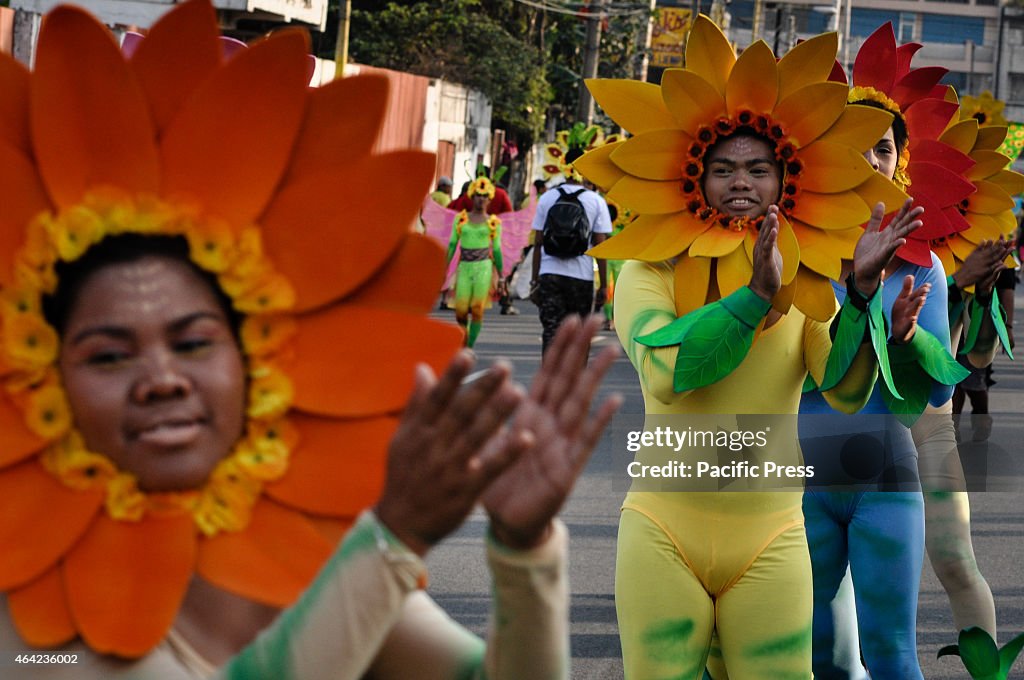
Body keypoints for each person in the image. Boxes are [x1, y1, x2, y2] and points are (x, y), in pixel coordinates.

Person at [0, 2, 623, 676]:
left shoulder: (310, 542)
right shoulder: (24, 587)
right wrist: (391, 544)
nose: (162, 378)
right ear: (37, 373)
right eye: (109, 354)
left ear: (260, 355)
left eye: (194, 342)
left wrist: (526, 552)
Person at [578, 20, 931, 678]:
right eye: (723, 168)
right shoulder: (649, 268)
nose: (740, 180)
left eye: (758, 168)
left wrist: (856, 295)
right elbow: (668, 372)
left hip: (772, 536)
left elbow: (843, 388)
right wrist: (753, 300)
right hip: (662, 532)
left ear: (783, 179)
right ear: (695, 176)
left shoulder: (808, 278)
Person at [530, 147, 612, 355]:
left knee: (551, 331)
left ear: (563, 166)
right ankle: (575, 381)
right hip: (581, 278)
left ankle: (549, 381)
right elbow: (601, 246)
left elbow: (538, 243)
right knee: (580, 335)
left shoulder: (547, 198)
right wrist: (603, 285)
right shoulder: (596, 201)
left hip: (550, 275)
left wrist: (534, 281)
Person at [445, 177, 505, 347]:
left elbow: (498, 250)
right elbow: (451, 244)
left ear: (489, 199)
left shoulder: (494, 223)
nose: (481, 199)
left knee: (477, 309)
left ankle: (468, 347)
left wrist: (501, 277)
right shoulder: (461, 219)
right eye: (478, 195)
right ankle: (465, 339)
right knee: (461, 311)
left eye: (485, 196)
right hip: (464, 267)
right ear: (472, 196)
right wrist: (443, 267)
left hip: (484, 268)